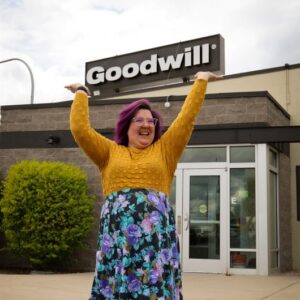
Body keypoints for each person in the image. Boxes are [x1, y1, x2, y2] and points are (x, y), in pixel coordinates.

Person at [65, 71, 222, 300]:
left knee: (153, 288)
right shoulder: (109, 152)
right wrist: (81, 93)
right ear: (127, 125)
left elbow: (187, 117)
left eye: (151, 120)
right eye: (139, 120)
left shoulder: (165, 150)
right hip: (119, 241)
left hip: (155, 243)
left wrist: (201, 80)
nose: (146, 124)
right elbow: (80, 130)